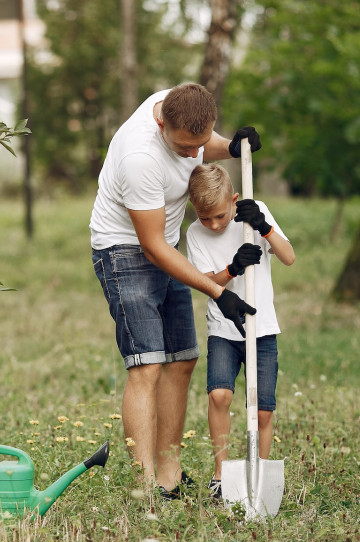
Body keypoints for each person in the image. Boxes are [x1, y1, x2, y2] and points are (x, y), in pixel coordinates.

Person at [90, 82, 261, 499]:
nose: (192, 156)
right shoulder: (139, 157)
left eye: (197, 145)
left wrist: (233, 147)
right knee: (146, 363)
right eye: (185, 148)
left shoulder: (185, 106)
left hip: (167, 247)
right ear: (161, 122)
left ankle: (170, 472)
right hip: (125, 250)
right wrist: (219, 292)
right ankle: (145, 485)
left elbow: (206, 145)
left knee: (182, 360)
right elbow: (151, 246)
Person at [185, 162, 295, 500]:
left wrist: (263, 228)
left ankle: (260, 473)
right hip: (223, 329)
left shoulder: (255, 212)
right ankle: (220, 475)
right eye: (206, 217)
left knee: (262, 409)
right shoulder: (194, 234)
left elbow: (288, 257)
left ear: (234, 200)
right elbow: (205, 283)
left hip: (262, 329)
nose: (214, 224)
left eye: (220, 215)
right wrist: (232, 268)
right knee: (220, 395)